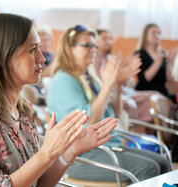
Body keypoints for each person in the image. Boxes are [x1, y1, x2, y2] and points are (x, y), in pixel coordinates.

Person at [0, 13, 118, 186]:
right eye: (32, 50)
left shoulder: (24, 109)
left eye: (39, 49)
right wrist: (47, 153)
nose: (42, 59)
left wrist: (69, 152)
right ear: (2, 57)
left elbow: (37, 183)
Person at [47, 25, 170, 182]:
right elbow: (88, 123)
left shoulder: (88, 77)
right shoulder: (63, 80)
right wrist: (106, 86)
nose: (93, 49)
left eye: (94, 45)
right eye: (87, 45)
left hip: (105, 147)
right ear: (69, 49)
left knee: (162, 161)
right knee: (149, 168)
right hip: (80, 157)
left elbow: (114, 114)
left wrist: (117, 86)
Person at [94, 29, 160, 123]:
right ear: (95, 41)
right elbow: (102, 82)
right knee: (154, 97)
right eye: (104, 39)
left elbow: (123, 82)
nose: (108, 42)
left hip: (124, 92)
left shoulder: (111, 58)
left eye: (110, 38)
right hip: (112, 95)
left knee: (156, 96)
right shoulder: (94, 59)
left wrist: (126, 69)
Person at [135, 23, 173, 99]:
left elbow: (169, 79)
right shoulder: (139, 54)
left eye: (159, 33)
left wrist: (169, 61)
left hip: (161, 93)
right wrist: (158, 61)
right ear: (145, 36)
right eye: (153, 33)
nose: (157, 36)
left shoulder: (163, 53)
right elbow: (145, 79)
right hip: (145, 94)